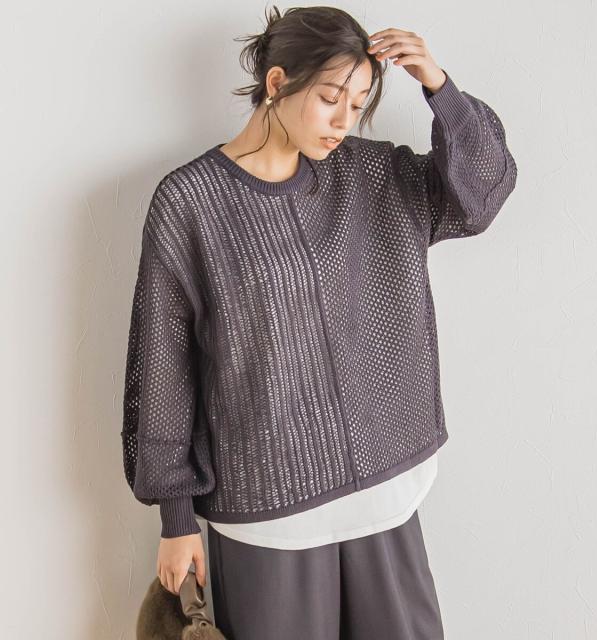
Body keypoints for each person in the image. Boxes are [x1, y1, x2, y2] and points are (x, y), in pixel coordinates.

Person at [121, 5, 517, 639]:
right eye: (331, 98)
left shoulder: (370, 174)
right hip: (266, 507)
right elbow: (164, 366)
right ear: (277, 82)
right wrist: (175, 517)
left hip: (384, 490)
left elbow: (481, 195)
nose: (343, 120)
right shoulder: (190, 203)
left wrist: (439, 86)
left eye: (358, 104)